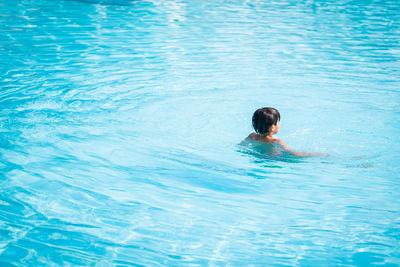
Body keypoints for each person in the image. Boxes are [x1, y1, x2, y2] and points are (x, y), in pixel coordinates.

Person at [248, 107, 327, 157]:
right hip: (273, 160)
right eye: (278, 122)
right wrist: (313, 154)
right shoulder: (276, 141)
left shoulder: (252, 136)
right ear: (272, 127)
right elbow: (293, 153)